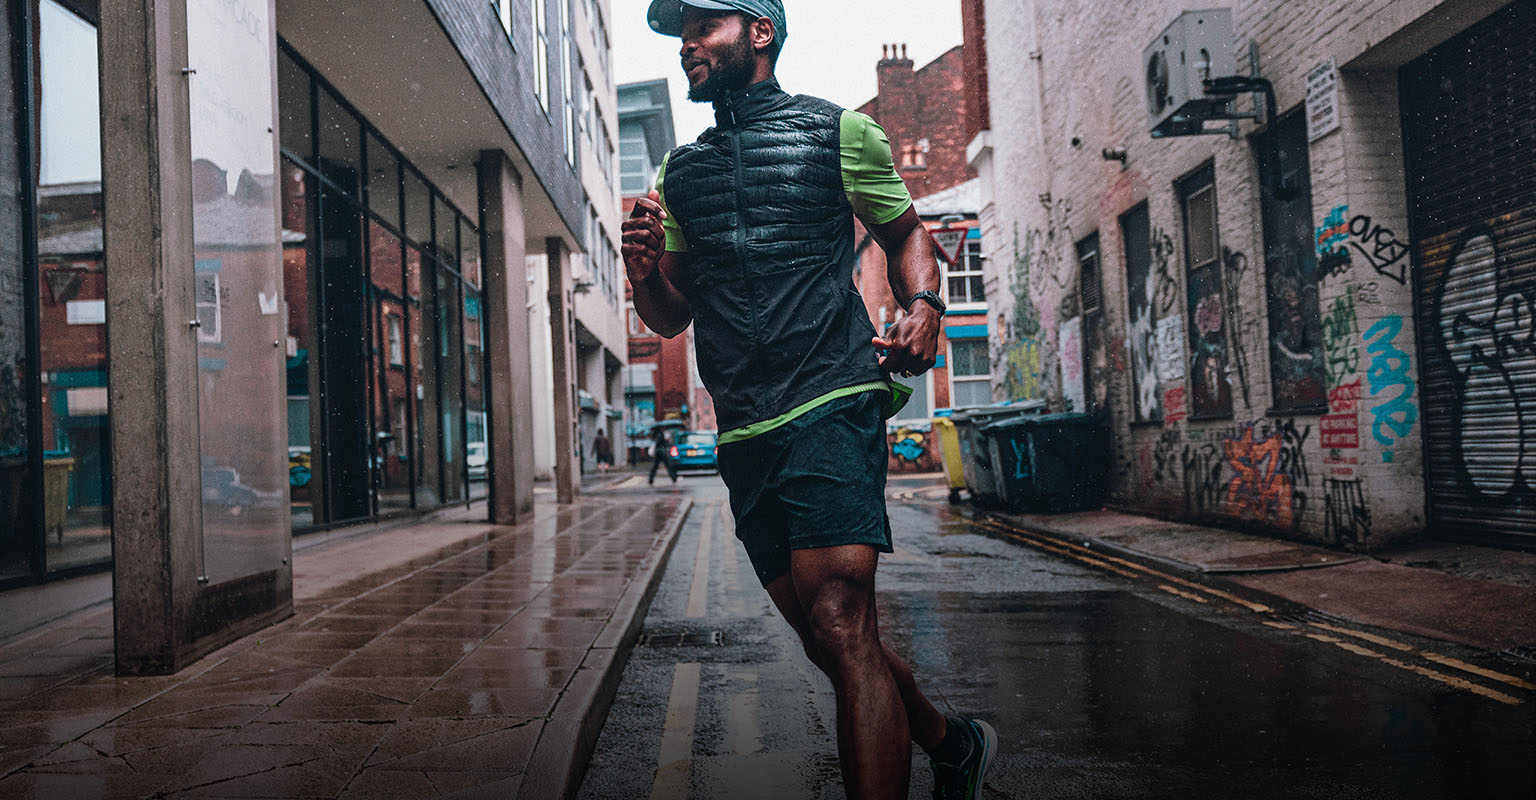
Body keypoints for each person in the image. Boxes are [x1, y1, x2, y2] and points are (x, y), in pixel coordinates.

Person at [625, 2, 996, 798]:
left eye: (704, 26)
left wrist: (928, 306)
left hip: (831, 394)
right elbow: (670, 317)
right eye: (679, 34)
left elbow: (905, 234)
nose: (688, 44)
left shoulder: (837, 133)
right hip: (747, 427)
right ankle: (948, 742)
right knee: (829, 638)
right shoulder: (678, 174)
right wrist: (642, 270)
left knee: (837, 615)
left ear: (759, 32)